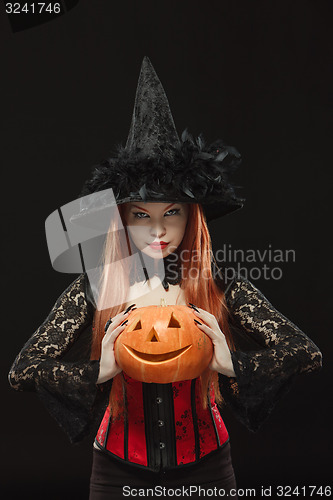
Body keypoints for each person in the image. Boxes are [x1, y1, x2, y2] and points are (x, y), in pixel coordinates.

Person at [8, 58, 322, 500]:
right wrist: (101, 370)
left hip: (207, 472)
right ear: (123, 220)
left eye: (171, 213)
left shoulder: (222, 284)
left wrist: (230, 363)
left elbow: (305, 353)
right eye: (141, 216)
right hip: (116, 474)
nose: (157, 231)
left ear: (191, 216)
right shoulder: (96, 287)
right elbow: (24, 371)